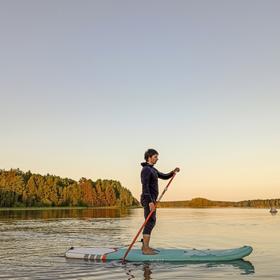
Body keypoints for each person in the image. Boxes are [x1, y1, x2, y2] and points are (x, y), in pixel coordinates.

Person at [140, 148, 180, 255]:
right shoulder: (146, 170)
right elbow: (145, 187)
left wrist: (173, 172)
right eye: (155, 157)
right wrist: (150, 202)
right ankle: (145, 249)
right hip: (148, 199)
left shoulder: (153, 170)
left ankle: (145, 246)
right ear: (149, 157)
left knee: (151, 221)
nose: (157, 159)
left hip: (152, 199)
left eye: (157, 157)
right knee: (150, 222)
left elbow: (164, 176)